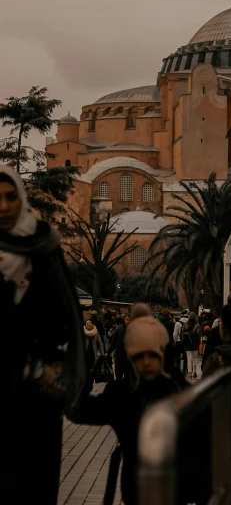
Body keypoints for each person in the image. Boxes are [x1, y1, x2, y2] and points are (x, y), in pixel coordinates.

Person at [0, 165, 86, 505]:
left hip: (36, 396)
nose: (4, 207)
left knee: (35, 481)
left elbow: (68, 317)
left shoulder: (45, 247)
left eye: (10, 197)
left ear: (21, 200)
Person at [70, 311, 182, 505]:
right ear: (131, 359)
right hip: (135, 482)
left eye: (152, 355)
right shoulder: (121, 393)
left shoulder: (179, 390)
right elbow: (81, 411)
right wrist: (79, 376)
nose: (146, 362)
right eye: (139, 357)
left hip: (175, 481)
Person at [109, 315, 129, 380]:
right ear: (124, 320)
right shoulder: (119, 329)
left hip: (129, 359)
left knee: (128, 378)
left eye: (130, 319)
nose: (128, 321)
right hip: (119, 357)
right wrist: (107, 352)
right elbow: (113, 342)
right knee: (118, 376)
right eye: (127, 319)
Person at [182, 312, 201, 378]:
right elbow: (199, 335)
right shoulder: (197, 325)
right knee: (195, 358)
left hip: (187, 344)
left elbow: (183, 334)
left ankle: (189, 372)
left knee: (189, 358)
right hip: (195, 343)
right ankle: (194, 372)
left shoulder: (185, 324)